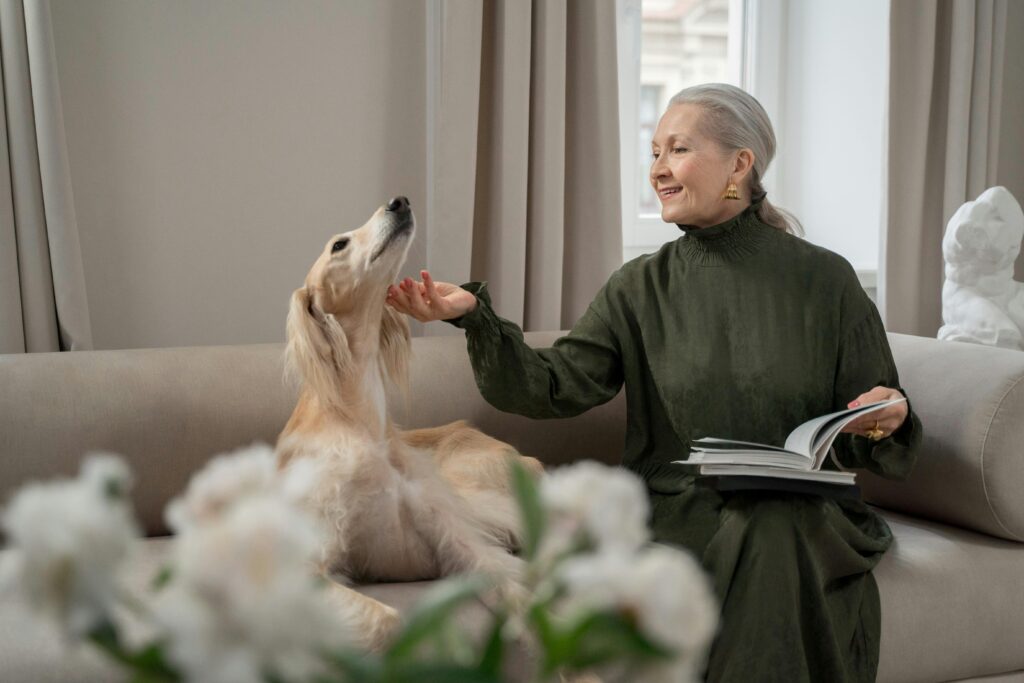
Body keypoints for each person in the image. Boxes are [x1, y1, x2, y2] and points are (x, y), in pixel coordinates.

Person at [385, 83, 922, 683]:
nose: (659, 170)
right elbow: (552, 385)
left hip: (806, 514)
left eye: (678, 150)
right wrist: (472, 317)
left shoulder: (826, 280)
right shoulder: (638, 287)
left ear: (739, 165)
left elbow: (868, 416)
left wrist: (885, 413)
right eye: (654, 153)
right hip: (680, 510)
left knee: (771, 527)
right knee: (761, 533)